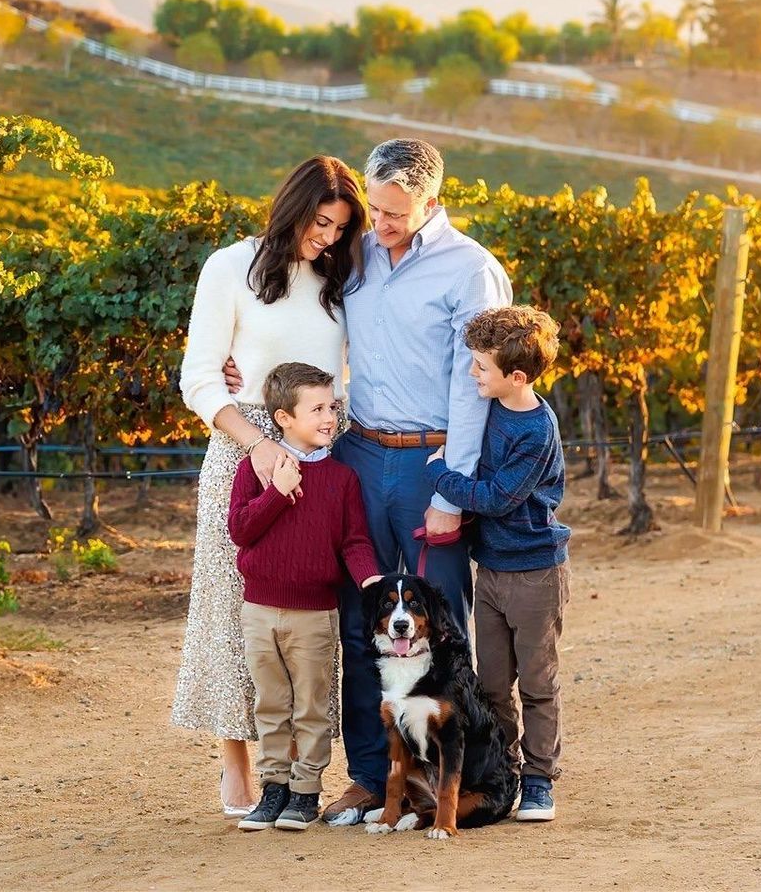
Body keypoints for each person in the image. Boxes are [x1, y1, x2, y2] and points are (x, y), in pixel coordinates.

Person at [222, 137, 511, 826]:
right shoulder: (357, 258)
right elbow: (296, 316)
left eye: (393, 214)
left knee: (441, 626)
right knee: (362, 621)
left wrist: (452, 491)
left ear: (432, 203)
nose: (377, 226)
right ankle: (371, 777)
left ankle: (469, 780)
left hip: (432, 462)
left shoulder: (471, 271)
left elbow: (475, 390)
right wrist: (244, 363)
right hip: (358, 453)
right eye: (372, 210)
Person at [172, 156, 367, 817]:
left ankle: (303, 771)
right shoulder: (230, 267)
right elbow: (198, 377)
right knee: (233, 611)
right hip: (242, 443)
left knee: (306, 609)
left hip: (317, 447)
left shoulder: (340, 280)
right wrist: (258, 443)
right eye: (320, 222)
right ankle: (236, 761)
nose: (328, 239)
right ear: (293, 207)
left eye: (340, 228)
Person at [425, 305, 571, 822]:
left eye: (480, 368)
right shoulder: (491, 407)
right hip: (490, 572)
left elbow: (496, 498)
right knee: (491, 684)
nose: (472, 375)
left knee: (536, 682)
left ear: (516, 377)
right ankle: (503, 773)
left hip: (534, 574)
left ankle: (538, 780)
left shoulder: (536, 431)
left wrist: (441, 475)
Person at [226, 361, 381, 832]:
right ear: (283, 418)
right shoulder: (253, 471)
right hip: (259, 611)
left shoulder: (341, 480)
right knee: (270, 704)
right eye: (316, 409)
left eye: (331, 406)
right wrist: (277, 491)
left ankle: (305, 792)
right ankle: (273, 789)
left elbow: (354, 541)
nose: (329, 417)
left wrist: (370, 581)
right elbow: (241, 531)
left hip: (315, 615)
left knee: (312, 706)